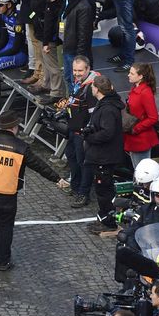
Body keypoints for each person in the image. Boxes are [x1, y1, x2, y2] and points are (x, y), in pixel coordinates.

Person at [0, 111, 67, 271]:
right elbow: (39, 165)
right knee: (6, 226)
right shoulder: (20, 147)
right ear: (13, 128)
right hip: (8, 194)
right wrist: (56, 178)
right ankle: (3, 260)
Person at [86, 75, 128, 234]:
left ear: (97, 89)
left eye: (92, 87)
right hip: (104, 155)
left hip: (105, 155)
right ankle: (105, 218)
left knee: (104, 190)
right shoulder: (106, 104)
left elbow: (107, 133)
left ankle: (109, 222)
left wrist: (90, 137)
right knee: (103, 189)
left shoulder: (108, 108)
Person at [64, 56, 100, 208]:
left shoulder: (91, 88)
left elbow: (93, 114)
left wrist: (86, 133)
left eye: (80, 70)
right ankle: (76, 186)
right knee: (71, 156)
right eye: (74, 70)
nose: (76, 73)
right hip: (73, 129)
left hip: (82, 133)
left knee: (83, 163)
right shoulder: (79, 83)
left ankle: (83, 193)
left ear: (88, 69)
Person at [124, 62, 159, 168]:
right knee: (137, 171)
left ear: (140, 76)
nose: (128, 75)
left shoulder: (145, 92)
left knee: (143, 172)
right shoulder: (135, 88)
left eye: (132, 73)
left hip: (141, 139)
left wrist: (136, 128)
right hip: (133, 137)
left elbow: (153, 117)